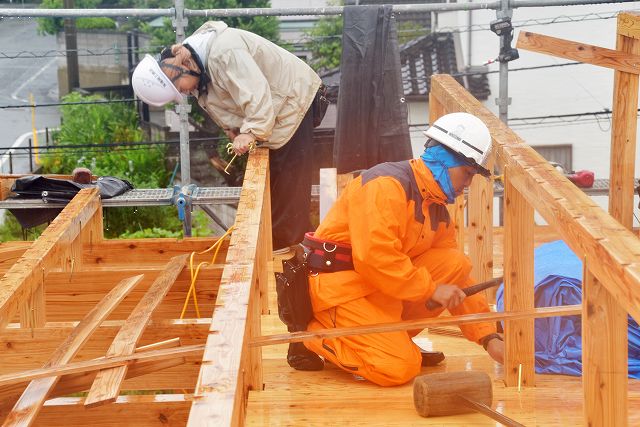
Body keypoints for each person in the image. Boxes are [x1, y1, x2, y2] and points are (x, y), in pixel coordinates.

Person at [288, 112, 505, 386]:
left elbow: (460, 279)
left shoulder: (436, 209)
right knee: (397, 368)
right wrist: (431, 290)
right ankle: (309, 336)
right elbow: (375, 259)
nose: (468, 184)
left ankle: (389, 340)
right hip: (339, 291)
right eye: (467, 173)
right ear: (444, 160)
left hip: (376, 288)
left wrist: (488, 337)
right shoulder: (386, 186)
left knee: (456, 264)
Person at [131, 21, 323, 253]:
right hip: (275, 110)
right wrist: (233, 130)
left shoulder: (224, 52)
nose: (182, 93)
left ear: (181, 68)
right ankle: (279, 249)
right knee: (273, 189)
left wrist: (251, 131)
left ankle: (287, 256)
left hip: (294, 100)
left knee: (287, 190)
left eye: (178, 89)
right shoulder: (198, 68)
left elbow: (256, 93)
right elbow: (225, 100)